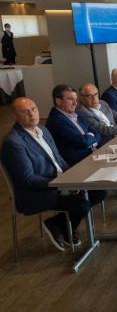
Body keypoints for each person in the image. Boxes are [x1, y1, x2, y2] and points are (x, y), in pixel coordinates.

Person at [1, 98, 96, 250]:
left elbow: (59, 159)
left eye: (33, 109)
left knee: (98, 190)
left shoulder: (44, 130)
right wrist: (61, 183)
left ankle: (65, 226)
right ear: (15, 116)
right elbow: (28, 179)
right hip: (37, 192)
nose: (32, 114)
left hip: (61, 182)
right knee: (81, 204)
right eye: (24, 112)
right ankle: (56, 224)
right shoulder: (14, 142)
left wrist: (72, 176)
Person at [45, 84, 101, 166]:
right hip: (80, 163)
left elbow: (96, 132)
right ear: (58, 101)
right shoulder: (56, 121)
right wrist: (91, 136)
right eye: (70, 99)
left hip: (94, 155)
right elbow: (83, 142)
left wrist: (90, 136)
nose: (75, 103)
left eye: (76, 99)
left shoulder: (76, 113)